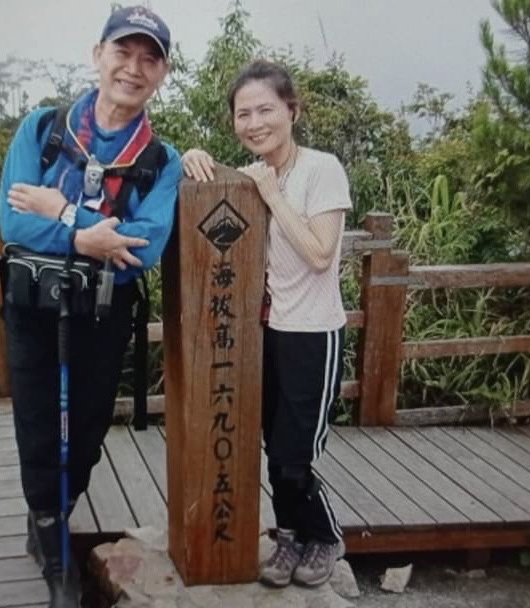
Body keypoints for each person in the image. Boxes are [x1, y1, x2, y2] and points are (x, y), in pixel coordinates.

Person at [0, 6, 181, 606]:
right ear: (97, 54)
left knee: (88, 432)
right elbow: (12, 222)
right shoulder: (44, 130)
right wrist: (85, 239)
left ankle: (53, 517)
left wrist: (63, 212)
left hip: (103, 316)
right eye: (122, 52)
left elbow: (142, 247)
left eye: (149, 58)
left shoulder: (162, 160)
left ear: (162, 73)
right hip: (33, 309)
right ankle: (54, 549)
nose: (133, 68)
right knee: (37, 427)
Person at [182, 60, 350, 589]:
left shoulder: (321, 170)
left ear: (291, 111)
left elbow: (320, 255)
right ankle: (289, 535)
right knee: (271, 449)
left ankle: (324, 536)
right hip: (264, 336)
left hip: (313, 335)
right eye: (243, 114)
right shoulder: (249, 177)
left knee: (292, 455)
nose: (254, 123)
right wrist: (192, 158)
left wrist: (272, 193)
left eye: (265, 110)